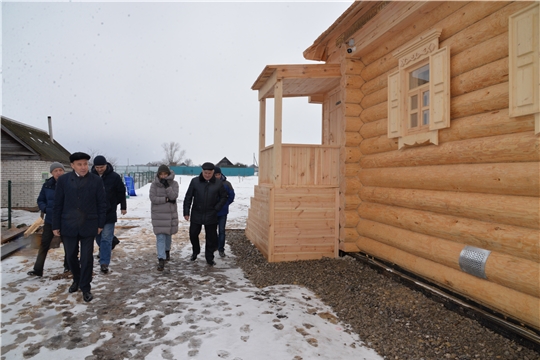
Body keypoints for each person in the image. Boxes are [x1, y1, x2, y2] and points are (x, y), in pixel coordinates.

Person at [53, 152, 107, 303]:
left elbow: (101, 204)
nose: (83, 167)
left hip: (89, 225)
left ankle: (85, 287)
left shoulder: (95, 180)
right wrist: (56, 225)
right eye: (79, 164)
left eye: (85, 164)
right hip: (68, 225)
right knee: (70, 256)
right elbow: (57, 204)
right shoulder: (63, 180)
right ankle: (76, 279)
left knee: (86, 258)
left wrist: (100, 224)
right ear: (72, 166)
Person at [27, 162, 70, 277]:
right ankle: (38, 269)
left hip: (65, 220)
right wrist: (45, 208)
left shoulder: (70, 184)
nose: (58, 173)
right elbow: (40, 200)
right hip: (50, 220)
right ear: (52, 173)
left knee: (69, 245)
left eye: (60, 170)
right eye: (55, 171)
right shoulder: (47, 185)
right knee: (44, 244)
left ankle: (68, 266)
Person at [183, 162, 228, 266]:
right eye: (205, 172)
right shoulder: (195, 182)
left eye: (209, 173)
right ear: (202, 171)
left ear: (213, 172)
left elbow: (224, 197)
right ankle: (196, 250)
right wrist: (186, 212)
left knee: (211, 238)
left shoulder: (218, 183)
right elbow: (188, 197)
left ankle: (209, 257)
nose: (207, 175)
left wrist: (217, 208)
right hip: (196, 213)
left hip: (211, 214)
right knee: (193, 234)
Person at [91, 155, 127, 274]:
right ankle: (110, 244)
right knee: (98, 236)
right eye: (97, 167)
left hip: (109, 211)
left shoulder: (114, 177)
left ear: (106, 165)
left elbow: (121, 192)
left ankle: (104, 262)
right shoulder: (90, 177)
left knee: (106, 238)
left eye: (101, 167)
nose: (99, 169)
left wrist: (122, 206)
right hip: (94, 213)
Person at [149, 164, 179, 271]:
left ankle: (167, 251)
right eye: (161, 174)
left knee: (168, 235)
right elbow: (153, 198)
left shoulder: (174, 184)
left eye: (165, 174)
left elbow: (174, 196)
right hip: (158, 214)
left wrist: (167, 187)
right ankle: (161, 258)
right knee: (160, 236)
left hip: (169, 214)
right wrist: (165, 200)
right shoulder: (154, 185)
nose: (163, 176)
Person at [213, 166, 235, 258]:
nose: (217, 176)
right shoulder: (210, 183)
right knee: (212, 231)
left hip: (223, 212)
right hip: (212, 212)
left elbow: (231, 195)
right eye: (215, 175)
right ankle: (214, 246)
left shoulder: (227, 184)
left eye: (218, 174)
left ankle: (221, 249)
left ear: (220, 174)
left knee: (221, 231)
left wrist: (225, 204)